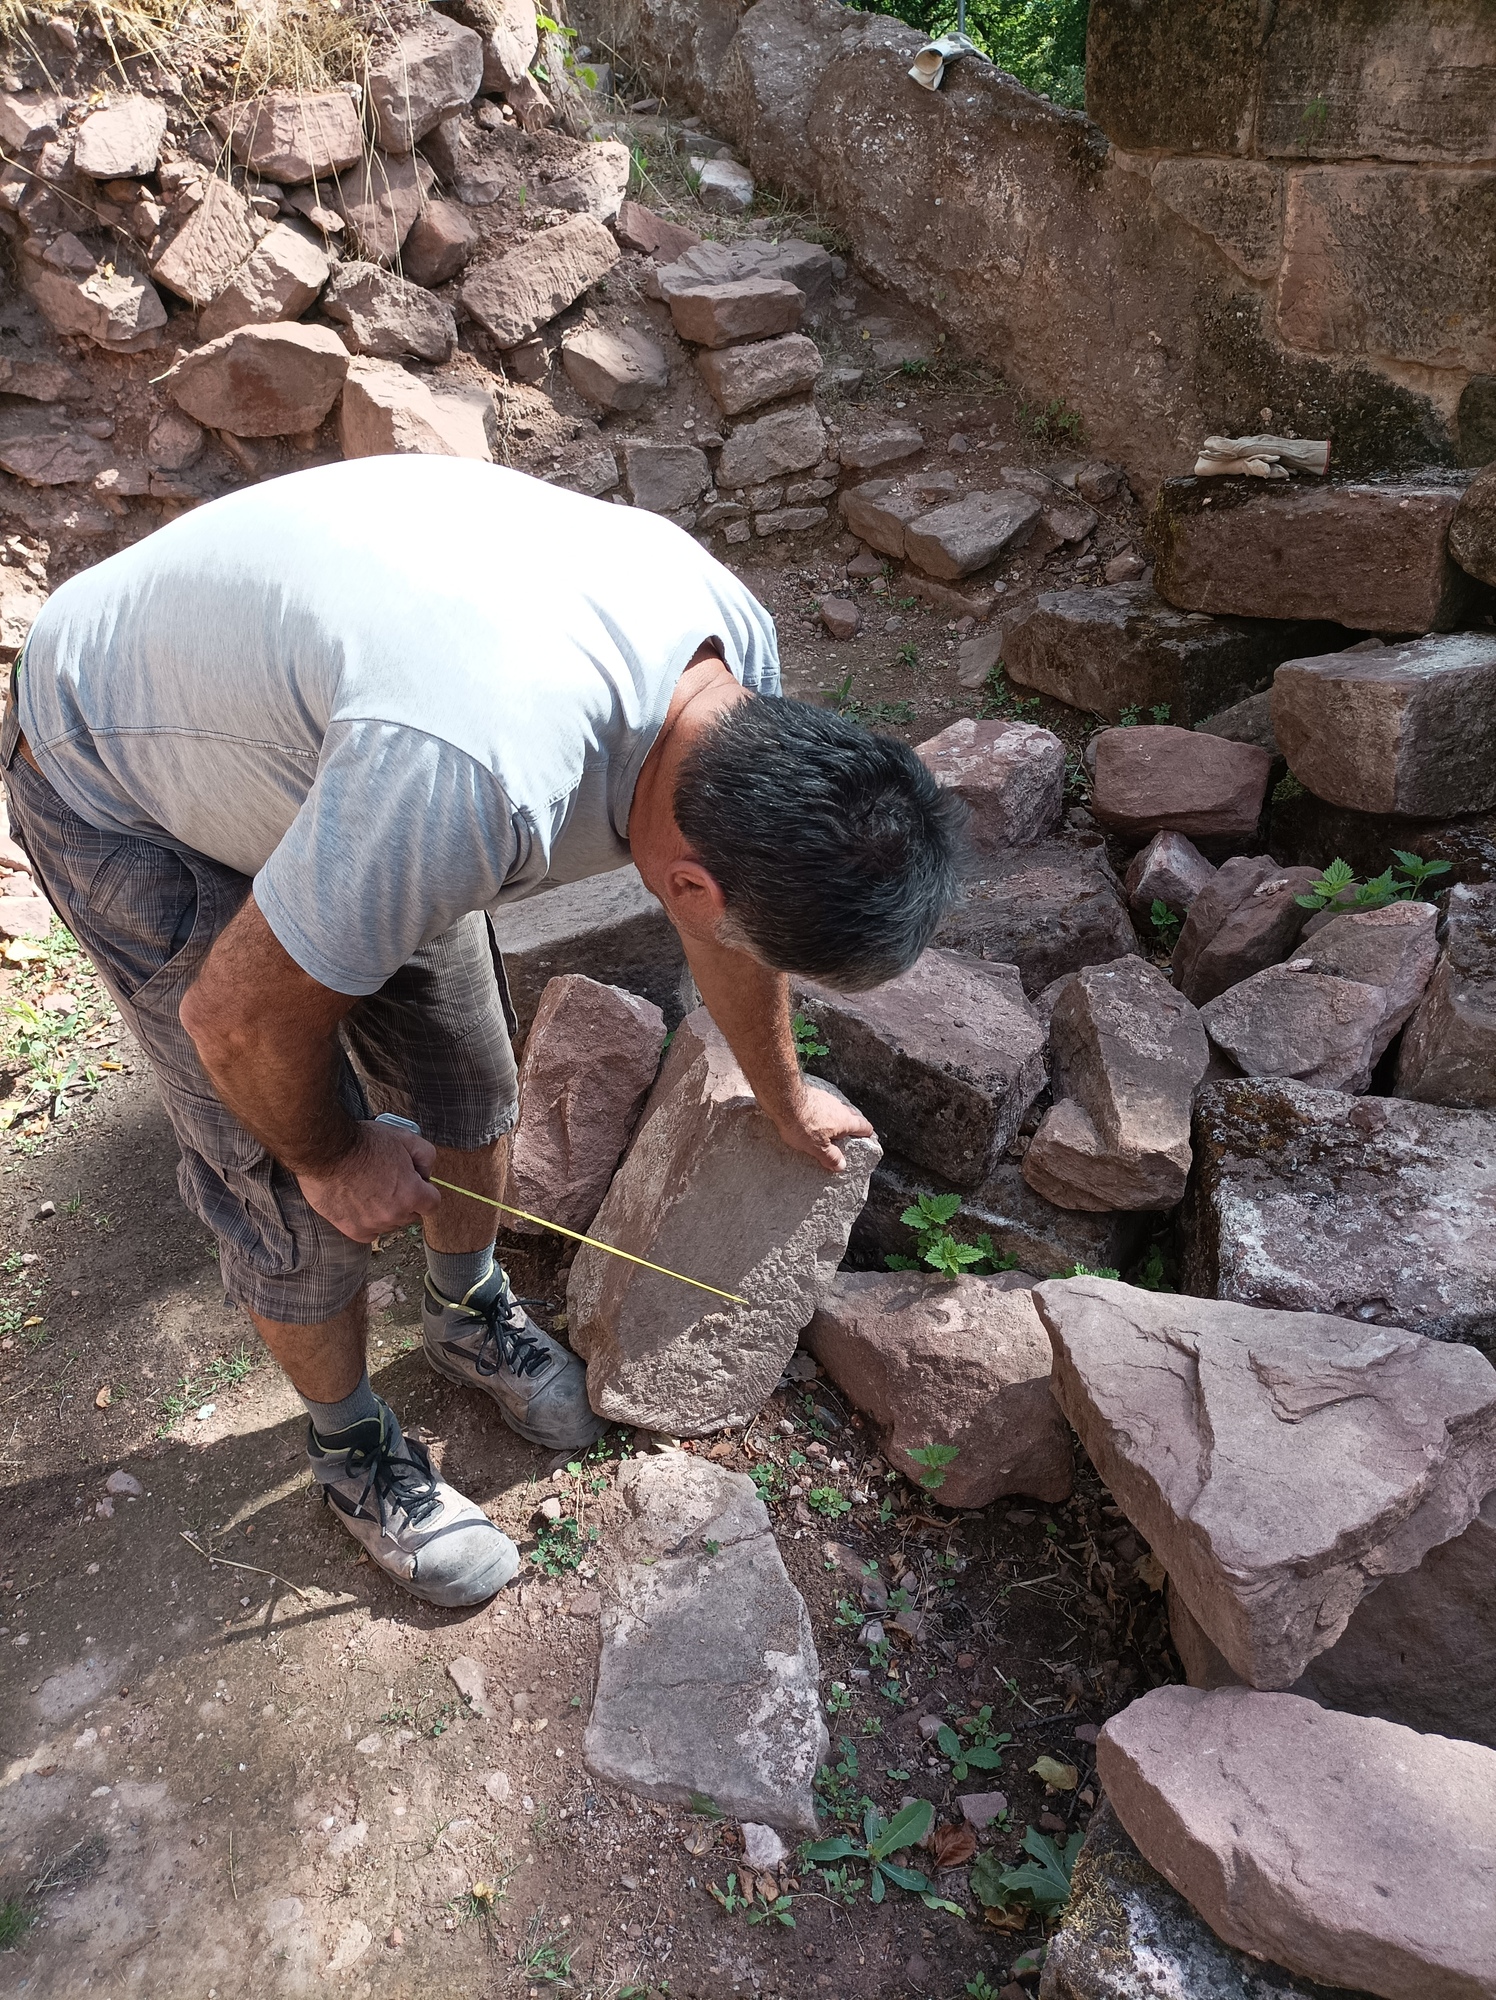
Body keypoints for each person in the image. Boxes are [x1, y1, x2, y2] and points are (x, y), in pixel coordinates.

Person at [2, 455, 964, 1608]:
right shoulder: (466, 783)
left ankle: (464, 1307)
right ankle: (350, 1445)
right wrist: (334, 1156)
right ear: (693, 887)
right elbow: (236, 1020)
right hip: (120, 767)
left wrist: (781, 1093)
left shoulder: (732, 676)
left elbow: (725, 930)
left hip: (335, 745)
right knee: (283, 1178)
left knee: (468, 1087)